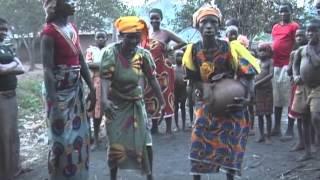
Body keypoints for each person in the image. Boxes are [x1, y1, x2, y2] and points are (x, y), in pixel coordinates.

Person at [183, 4, 256, 180]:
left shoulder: (230, 48)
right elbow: (192, 80)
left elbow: (248, 74)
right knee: (198, 147)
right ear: (197, 26)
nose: (208, 26)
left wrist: (248, 98)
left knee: (229, 150)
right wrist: (200, 90)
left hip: (231, 107)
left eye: (213, 22)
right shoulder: (193, 50)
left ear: (219, 26)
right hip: (207, 106)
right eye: (204, 22)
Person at [100, 16, 165, 180]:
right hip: (116, 106)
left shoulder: (143, 55)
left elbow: (152, 79)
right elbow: (105, 78)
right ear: (121, 36)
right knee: (115, 143)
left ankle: (150, 176)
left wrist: (162, 102)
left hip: (136, 104)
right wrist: (104, 100)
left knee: (146, 142)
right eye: (130, 37)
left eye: (137, 36)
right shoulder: (110, 53)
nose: (134, 40)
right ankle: (112, 176)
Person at [40, 0, 96, 179]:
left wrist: (92, 89)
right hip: (58, 95)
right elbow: (47, 70)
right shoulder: (48, 33)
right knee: (61, 143)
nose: (73, 2)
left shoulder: (72, 28)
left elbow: (80, 59)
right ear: (56, 5)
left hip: (75, 92)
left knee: (80, 139)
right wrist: (54, 106)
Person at [145, 8, 186, 135]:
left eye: (156, 18)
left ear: (161, 19)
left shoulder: (166, 33)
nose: (154, 20)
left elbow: (183, 42)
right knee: (151, 96)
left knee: (166, 94)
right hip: (150, 69)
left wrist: (171, 48)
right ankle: (155, 126)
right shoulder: (147, 34)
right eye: (152, 18)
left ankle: (168, 128)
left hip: (164, 70)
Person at [0, 17, 25, 180]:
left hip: (11, 95)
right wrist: (12, 66)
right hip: (1, 97)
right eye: (0, 29)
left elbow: (21, 67)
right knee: (3, 136)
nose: (3, 32)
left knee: (13, 134)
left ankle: (15, 168)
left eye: (5, 29)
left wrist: (7, 67)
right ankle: (5, 174)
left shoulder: (5, 48)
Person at [292, 18, 320, 161]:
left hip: (318, 88)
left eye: (314, 31)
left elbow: (316, 63)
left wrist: (311, 50)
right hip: (303, 87)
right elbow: (295, 64)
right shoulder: (301, 50)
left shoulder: (313, 49)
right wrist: (296, 74)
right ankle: (308, 151)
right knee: (304, 118)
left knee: (316, 116)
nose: (310, 33)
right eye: (308, 31)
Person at [226, 25, 261, 135]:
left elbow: (250, 70)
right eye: (230, 34)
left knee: (247, 103)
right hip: (236, 80)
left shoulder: (243, 52)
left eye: (234, 34)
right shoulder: (227, 48)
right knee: (237, 105)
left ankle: (249, 127)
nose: (232, 36)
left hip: (245, 79)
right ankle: (239, 126)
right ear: (226, 35)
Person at [271, 2, 299, 137]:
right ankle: (276, 127)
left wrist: (292, 64)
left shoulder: (294, 26)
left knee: (289, 97)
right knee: (277, 97)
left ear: (291, 12)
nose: (283, 14)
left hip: (287, 65)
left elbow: (296, 45)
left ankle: (290, 129)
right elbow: (273, 44)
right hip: (275, 65)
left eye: (285, 11)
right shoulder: (275, 27)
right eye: (281, 11)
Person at [85, 30, 108, 150]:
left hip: (109, 83)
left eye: (102, 37)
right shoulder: (91, 51)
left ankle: (111, 140)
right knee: (95, 113)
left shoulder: (110, 50)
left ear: (106, 39)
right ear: (94, 39)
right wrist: (105, 65)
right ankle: (96, 139)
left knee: (109, 111)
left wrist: (98, 65)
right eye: (98, 37)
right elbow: (89, 65)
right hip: (95, 83)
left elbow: (113, 65)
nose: (100, 39)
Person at [286, 29, 308, 144]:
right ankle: (301, 142)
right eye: (297, 36)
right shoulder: (294, 53)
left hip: (310, 86)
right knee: (299, 116)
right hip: (297, 86)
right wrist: (291, 60)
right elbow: (289, 71)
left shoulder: (311, 50)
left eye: (301, 35)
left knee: (310, 116)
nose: (299, 38)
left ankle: (312, 142)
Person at [255, 43, 274, 144]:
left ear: (269, 52)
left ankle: (268, 136)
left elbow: (271, 75)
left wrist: (257, 83)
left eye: (264, 50)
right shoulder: (256, 62)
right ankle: (261, 134)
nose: (261, 53)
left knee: (267, 114)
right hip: (258, 91)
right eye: (260, 51)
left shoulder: (270, 61)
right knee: (260, 115)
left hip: (266, 90)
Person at [173, 50, 187, 131]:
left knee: (183, 107)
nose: (179, 57)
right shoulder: (172, 67)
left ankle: (184, 125)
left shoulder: (184, 67)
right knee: (175, 107)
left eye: (181, 55)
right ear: (175, 57)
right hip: (175, 90)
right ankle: (177, 126)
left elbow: (187, 77)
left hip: (183, 89)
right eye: (178, 55)